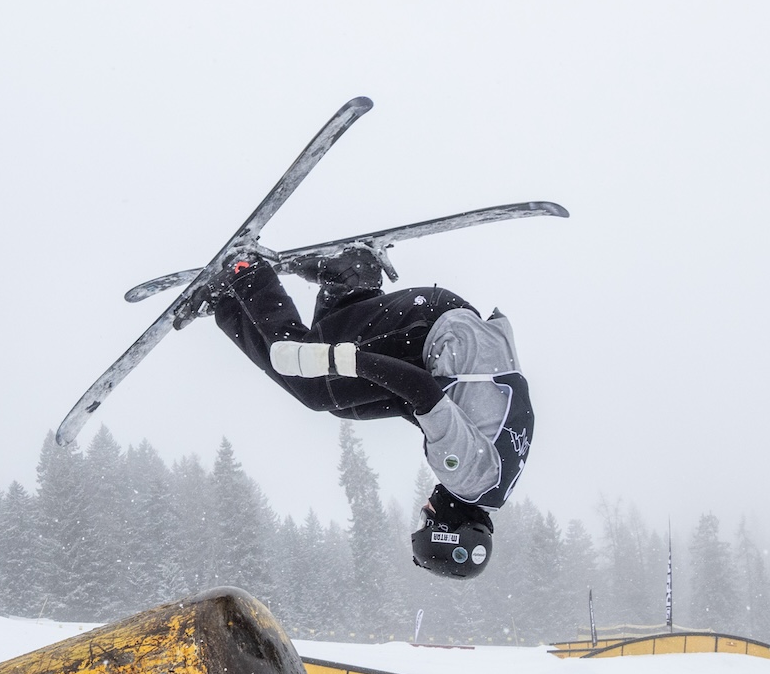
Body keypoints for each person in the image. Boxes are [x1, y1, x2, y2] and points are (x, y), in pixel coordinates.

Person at [206, 246, 533, 580]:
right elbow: (421, 389)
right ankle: (244, 274)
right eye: (426, 522)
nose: (424, 510)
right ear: (447, 527)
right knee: (312, 382)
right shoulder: (465, 476)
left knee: (338, 401)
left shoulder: (493, 487)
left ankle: (348, 279)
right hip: (430, 329)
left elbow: (453, 402)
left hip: (445, 335)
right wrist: (339, 360)